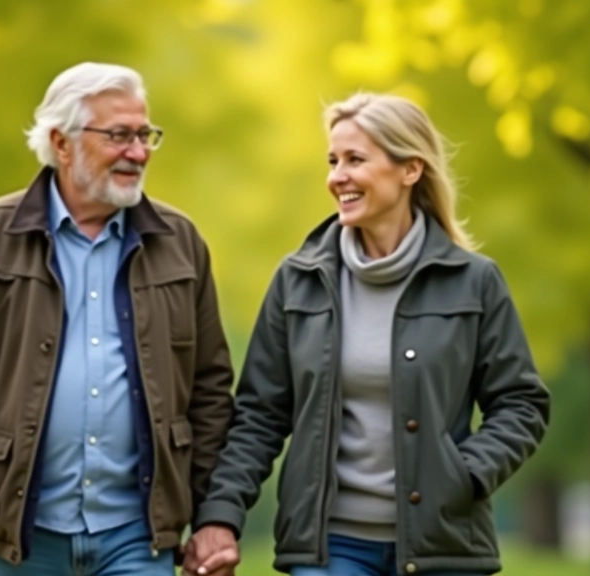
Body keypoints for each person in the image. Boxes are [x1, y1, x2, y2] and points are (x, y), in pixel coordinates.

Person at [183, 93, 551, 576]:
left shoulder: (473, 281)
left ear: (410, 169)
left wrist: (464, 475)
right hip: (330, 548)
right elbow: (260, 415)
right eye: (333, 161)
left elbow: (521, 404)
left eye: (355, 159)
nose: (338, 177)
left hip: (443, 545)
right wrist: (220, 515)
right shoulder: (299, 280)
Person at [0, 62, 234, 576]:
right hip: (17, 541)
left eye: (144, 135)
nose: (138, 152)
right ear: (61, 143)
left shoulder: (180, 242)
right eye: (119, 136)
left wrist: (214, 516)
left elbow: (211, 391)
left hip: (137, 541)